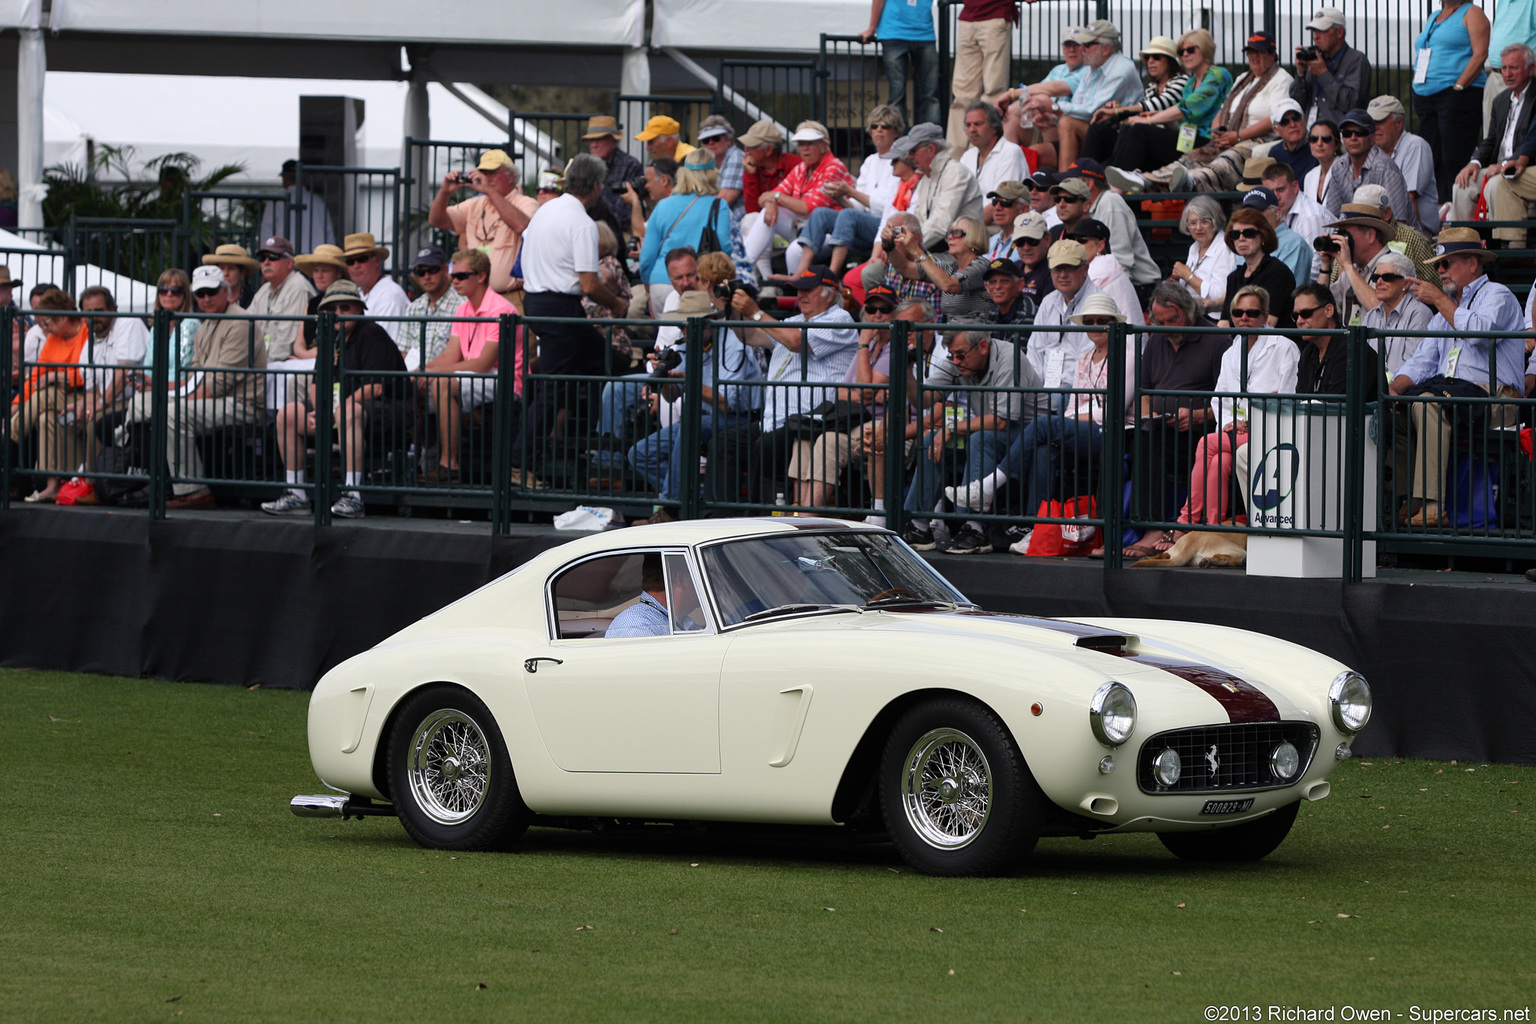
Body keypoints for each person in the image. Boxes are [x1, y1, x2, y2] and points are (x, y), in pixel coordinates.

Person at [952, 292, 1134, 538]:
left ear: (1115, 323)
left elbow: (1114, 411)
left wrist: (1077, 417)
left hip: (1114, 433)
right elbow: (1072, 410)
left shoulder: (1129, 355)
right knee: (1043, 450)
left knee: (1044, 424)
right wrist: (1078, 417)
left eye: (1103, 320)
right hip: (1081, 430)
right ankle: (1034, 527)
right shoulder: (1083, 358)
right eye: (1089, 322)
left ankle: (990, 485)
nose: (1095, 326)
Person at [1389, 227, 1524, 527]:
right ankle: (1408, 501)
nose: (1440, 271)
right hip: (1452, 395)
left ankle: (1434, 506)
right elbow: (1421, 362)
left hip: (1495, 398)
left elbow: (1477, 335)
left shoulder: (1497, 294)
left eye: (1446, 264)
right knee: (1397, 409)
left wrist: (1437, 298)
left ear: (1473, 263)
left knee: (1427, 405)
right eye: (1438, 265)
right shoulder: (1443, 312)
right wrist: (1393, 390)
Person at [120, 265, 268, 511]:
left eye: (212, 292)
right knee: (140, 403)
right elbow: (194, 378)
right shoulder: (207, 325)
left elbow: (215, 386)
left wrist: (177, 397)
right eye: (201, 294)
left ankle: (193, 489)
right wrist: (165, 391)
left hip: (242, 404)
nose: (206, 299)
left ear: (225, 291)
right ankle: (137, 473)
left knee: (170, 413)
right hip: (212, 398)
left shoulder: (239, 323)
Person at [261, 280, 409, 519]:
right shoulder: (329, 337)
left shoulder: (372, 333)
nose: (338, 314)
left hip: (390, 410)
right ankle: (296, 494)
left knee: (348, 412)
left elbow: (375, 388)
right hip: (340, 410)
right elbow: (316, 384)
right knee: (287, 414)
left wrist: (335, 410)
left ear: (359, 309)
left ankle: (353, 496)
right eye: (332, 309)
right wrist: (321, 410)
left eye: (345, 307)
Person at [520, 153, 629, 461]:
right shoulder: (582, 223)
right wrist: (618, 303)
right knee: (552, 391)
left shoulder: (546, 210)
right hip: (560, 309)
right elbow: (590, 285)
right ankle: (518, 461)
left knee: (603, 362)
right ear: (595, 186)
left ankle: (598, 448)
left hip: (539, 302)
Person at [726, 266, 861, 505]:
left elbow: (794, 341)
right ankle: (717, 516)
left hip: (812, 421)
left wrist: (756, 312)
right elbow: (750, 336)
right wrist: (734, 309)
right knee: (725, 444)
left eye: (808, 290)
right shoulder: (795, 319)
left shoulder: (840, 319)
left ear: (830, 293)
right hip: (775, 420)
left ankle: (758, 518)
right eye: (798, 290)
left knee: (763, 447)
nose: (801, 295)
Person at [1170, 284, 1298, 534]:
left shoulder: (1283, 346)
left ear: (1264, 315)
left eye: (1252, 313)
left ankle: (1186, 522)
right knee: (1219, 460)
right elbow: (1221, 399)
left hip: (1272, 430)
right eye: (1238, 313)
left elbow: (1288, 399)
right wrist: (1231, 423)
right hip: (1236, 432)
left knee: (1207, 444)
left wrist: (1249, 423)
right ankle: (1214, 528)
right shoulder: (1232, 351)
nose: (1244, 318)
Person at [900, 328, 1042, 554]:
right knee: (930, 440)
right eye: (952, 355)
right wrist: (906, 371)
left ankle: (974, 529)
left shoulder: (1009, 357)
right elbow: (924, 400)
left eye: (961, 355)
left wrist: (951, 428)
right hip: (992, 430)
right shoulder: (959, 358)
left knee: (981, 439)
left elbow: (1002, 421)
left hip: (1030, 433)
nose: (956, 362)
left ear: (983, 347)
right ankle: (919, 526)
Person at [627, 290, 762, 523]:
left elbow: (727, 403)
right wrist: (664, 381)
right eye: (683, 325)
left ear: (707, 322)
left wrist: (687, 381)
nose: (685, 330)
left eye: (691, 324)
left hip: (740, 418)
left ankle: (672, 509)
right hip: (703, 419)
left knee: (691, 424)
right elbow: (673, 396)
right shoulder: (685, 343)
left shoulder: (732, 343)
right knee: (639, 453)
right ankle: (693, 500)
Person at [1122, 282, 1227, 556]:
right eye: (1160, 320)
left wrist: (1198, 416)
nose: (1167, 326)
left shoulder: (1217, 340)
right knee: (1124, 437)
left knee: (1149, 442)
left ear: (1189, 311)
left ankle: (1154, 528)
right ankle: (1104, 528)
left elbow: (1228, 401)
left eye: (1173, 319)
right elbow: (1144, 391)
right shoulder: (1157, 338)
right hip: (1160, 426)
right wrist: (1148, 415)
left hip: (1201, 431)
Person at [421, 249, 519, 486]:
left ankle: (449, 463)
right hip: (474, 376)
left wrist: (436, 372)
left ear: (481, 276)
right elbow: (451, 354)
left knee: (444, 382)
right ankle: (432, 451)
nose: (455, 281)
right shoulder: (462, 309)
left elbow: (483, 364)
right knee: (414, 385)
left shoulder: (502, 310)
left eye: (462, 276)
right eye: (454, 275)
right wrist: (423, 371)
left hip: (504, 379)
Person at [1103, 29, 1230, 176]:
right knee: (1128, 129)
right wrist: (1156, 115)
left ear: (1205, 49)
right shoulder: (1191, 83)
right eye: (1181, 52)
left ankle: (1116, 184)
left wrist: (1150, 119)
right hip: (1186, 138)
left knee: (1140, 131)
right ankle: (1114, 177)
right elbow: (1185, 118)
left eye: (1190, 50)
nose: (1185, 55)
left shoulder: (1217, 74)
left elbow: (1187, 108)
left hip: (1207, 141)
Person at [1025, 20, 1145, 171]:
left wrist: (1054, 107)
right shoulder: (1092, 67)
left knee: (1067, 122)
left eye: (1087, 45)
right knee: (1035, 152)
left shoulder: (1121, 70)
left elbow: (1090, 111)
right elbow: (1079, 102)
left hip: (1120, 138)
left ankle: (1067, 186)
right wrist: (1053, 118)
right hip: (1096, 132)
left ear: (1106, 49)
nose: (1081, 49)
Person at [428, 148, 540, 308]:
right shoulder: (475, 204)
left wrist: (488, 190)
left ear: (510, 176)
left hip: (512, 297)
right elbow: (437, 220)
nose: (486, 178)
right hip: (476, 298)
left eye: (492, 173)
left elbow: (521, 225)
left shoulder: (526, 203)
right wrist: (445, 191)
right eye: (483, 173)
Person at [9, 289, 89, 503]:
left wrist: (55, 376)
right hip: (60, 395)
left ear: (63, 318)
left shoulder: (85, 332)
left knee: (46, 394)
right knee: (45, 418)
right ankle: (51, 486)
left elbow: (86, 375)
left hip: (83, 396)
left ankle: (10, 433)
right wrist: (16, 404)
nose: (45, 328)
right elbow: (35, 377)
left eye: (47, 322)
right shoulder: (54, 339)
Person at [745, 122, 855, 278]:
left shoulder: (833, 166)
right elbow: (764, 198)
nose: (804, 148)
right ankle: (743, 268)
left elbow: (810, 209)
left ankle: (796, 296)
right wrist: (771, 203)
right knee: (762, 214)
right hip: (802, 226)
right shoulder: (802, 168)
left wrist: (776, 198)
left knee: (794, 251)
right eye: (801, 144)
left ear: (824, 145)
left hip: (832, 232)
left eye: (810, 144)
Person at [1412, 0, 1490, 203]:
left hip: (1457, 94)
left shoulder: (1472, 13)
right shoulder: (1435, 15)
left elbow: (1480, 53)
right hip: (1427, 95)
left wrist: (1459, 86)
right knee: (1433, 156)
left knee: (1454, 156)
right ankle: (1440, 206)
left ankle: (1458, 210)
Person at [638, 150, 734, 312]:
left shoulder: (662, 205)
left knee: (666, 336)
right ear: (713, 175)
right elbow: (725, 250)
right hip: (699, 284)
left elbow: (646, 258)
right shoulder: (719, 206)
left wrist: (649, 291)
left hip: (661, 283)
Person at [1452, 44, 1536, 227]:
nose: (1507, 74)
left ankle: (1496, 244)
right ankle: (1463, 244)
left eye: (1513, 67)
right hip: (1496, 166)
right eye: (1504, 68)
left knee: (1495, 184)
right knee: (1461, 185)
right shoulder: (1501, 100)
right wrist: (1474, 163)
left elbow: (1531, 142)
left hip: (1522, 168)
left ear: (1531, 69)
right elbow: (1490, 141)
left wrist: (1504, 165)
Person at [1079, 35, 1189, 165]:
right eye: (1147, 57)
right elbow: (1143, 112)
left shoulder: (1182, 81)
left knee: (1134, 133)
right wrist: (1117, 111)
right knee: (1099, 130)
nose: (1150, 61)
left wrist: (1120, 110)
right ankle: (1082, 175)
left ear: (1171, 61)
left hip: (1171, 142)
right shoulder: (1151, 88)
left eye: (1157, 57)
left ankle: (1104, 176)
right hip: (1147, 138)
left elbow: (1157, 105)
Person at [247, 235, 317, 410]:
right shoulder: (264, 290)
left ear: (289, 263)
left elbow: (286, 343)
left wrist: (258, 365)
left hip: (280, 363)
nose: (267, 262)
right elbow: (245, 327)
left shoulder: (297, 287)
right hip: (265, 364)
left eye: (274, 257)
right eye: (263, 258)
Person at [1073, 159, 1161, 294]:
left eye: (1070, 182)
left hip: (1137, 288)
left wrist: (1117, 299)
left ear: (1088, 184)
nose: (1065, 188)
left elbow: (1120, 263)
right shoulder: (1089, 207)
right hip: (1105, 283)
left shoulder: (1110, 204)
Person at [946, 0, 1019, 158]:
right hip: (974, 17)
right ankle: (958, 157)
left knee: (989, 92)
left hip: (989, 15)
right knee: (966, 94)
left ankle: (977, 155)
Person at [998, 26, 1088, 153]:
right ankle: (1005, 160)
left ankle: (997, 121)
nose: (1072, 50)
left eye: (1077, 45)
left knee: (1039, 100)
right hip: (1043, 124)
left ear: (1085, 48)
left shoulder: (1088, 71)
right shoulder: (1058, 69)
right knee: (1013, 119)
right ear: (1062, 48)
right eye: (1068, 46)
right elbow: (1040, 90)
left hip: (1066, 128)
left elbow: (1054, 89)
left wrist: (1011, 94)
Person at [1029, 239, 1104, 388]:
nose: (1062, 275)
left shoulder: (1098, 304)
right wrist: (1034, 389)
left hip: (1080, 390)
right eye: (1057, 268)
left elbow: (1089, 362)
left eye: (1069, 268)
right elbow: (1034, 351)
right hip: (1046, 388)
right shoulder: (1048, 302)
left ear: (1085, 269)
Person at [888, 215, 992, 321]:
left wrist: (916, 250)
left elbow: (949, 285)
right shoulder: (952, 267)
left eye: (957, 233)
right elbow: (905, 269)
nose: (950, 237)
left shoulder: (981, 267)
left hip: (974, 335)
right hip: (950, 334)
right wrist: (888, 246)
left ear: (974, 237)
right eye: (950, 233)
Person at [903, 122, 986, 251]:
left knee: (877, 271)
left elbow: (940, 224)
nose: (909, 156)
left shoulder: (955, 173)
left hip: (962, 255)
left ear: (930, 149)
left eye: (913, 150)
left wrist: (909, 248)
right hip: (936, 250)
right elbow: (918, 221)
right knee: (881, 268)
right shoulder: (926, 177)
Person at [860, 0, 941, 128]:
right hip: (899, 32)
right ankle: (906, 141)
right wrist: (871, 28)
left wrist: (872, 28)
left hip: (918, 33)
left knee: (923, 94)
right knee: (921, 95)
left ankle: (926, 139)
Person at [1316, 200, 1396, 324]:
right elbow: (1321, 308)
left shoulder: (1394, 266)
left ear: (1370, 235)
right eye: (1339, 234)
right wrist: (1326, 265)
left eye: (1346, 235)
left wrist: (1348, 266)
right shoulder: (1353, 269)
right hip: (1349, 341)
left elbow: (1380, 312)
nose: (1341, 240)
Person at [1289, 7, 1371, 127]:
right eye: (1314, 31)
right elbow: (1295, 106)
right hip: (1311, 135)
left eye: (1321, 31)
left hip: (1341, 135)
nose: (1315, 37)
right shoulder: (1314, 59)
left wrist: (1323, 74)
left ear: (1339, 32)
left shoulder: (1356, 60)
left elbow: (1352, 104)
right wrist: (1300, 74)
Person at [1368, 96, 1439, 231]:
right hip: (1380, 229)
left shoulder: (1415, 145)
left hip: (1415, 231)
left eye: (1380, 121)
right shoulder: (1371, 151)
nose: (1374, 127)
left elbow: (1409, 199)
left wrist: (1414, 243)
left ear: (1399, 123)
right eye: (1371, 122)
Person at [1358, 251, 1434, 378]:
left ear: (1406, 283)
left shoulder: (1420, 313)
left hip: (1404, 392)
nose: (1379, 282)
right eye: (1376, 278)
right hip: (1371, 389)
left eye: (1387, 277)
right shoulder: (1371, 315)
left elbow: (1415, 366)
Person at [1220, 206, 1295, 326]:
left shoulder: (1278, 273)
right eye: (1235, 234)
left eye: (1249, 233)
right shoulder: (1233, 278)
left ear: (1263, 236)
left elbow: (1269, 323)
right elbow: (1224, 323)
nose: (1241, 239)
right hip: (1240, 342)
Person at [1063, 217, 1144, 325]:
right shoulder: (1106, 265)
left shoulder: (1102, 270)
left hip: (1123, 339)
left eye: (1082, 240)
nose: (1076, 245)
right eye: (1074, 240)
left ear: (1100, 245)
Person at [1171, 195, 1235, 315]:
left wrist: (1188, 276)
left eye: (1205, 221)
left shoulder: (1225, 247)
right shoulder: (1194, 247)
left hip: (1213, 318)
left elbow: (1219, 295)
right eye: (1193, 223)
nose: (1198, 228)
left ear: (1215, 221)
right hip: (1191, 313)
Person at [397, 244, 457, 372]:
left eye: (432, 270)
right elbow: (403, 352)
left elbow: (461, 356)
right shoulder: (413, 308)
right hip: (413, 379)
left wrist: (426, 373)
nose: (427, 277)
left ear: (446, 270)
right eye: (420, 272)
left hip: (445, 377)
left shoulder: (462, 306)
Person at [342, 233, 409, 343]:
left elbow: (381, 343)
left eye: (362, 259)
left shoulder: (390, 296)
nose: (356, 265)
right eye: (350, 261)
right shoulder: (359, 294)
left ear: (377, 261)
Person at [1243, 186, 1312, 291]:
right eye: (1248, 214)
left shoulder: (1293, 244)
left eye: (1258, 212)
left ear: (1277, 213)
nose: (1252, 218)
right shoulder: (1246, 240)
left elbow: (1282, 291)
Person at [958, 102, 1031, 200]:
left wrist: (970, 216)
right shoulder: (967, 156)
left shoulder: (1010, 152)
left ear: (994, 127)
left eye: (978, 124)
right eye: (968, 125)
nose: (972, 129)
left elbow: (1001, 201)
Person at [582, 116, 644, 228]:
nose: (594, 145)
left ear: (614, 141)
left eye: (599, 139)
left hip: (617, 232)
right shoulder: (584, 166)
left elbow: (622, 216)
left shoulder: (630, 165)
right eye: (591, 140)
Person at [257, 159, 332, 251]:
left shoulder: (276, 201)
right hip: (314, 258)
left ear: (284, 178)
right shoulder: (318, 202)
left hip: (285, 258)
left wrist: (266, 256)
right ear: (303, 177)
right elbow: (329, 235)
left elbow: (266, 231)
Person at [147, 269, 200, 389]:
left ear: (185, 295)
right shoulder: (156, 328)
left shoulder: (190, 324)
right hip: (156, 389)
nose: (169, 294)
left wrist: (155, 386)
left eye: (175, 291)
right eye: (163, 289)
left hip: (180, 390)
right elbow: (148, 366)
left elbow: (180, 369)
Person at [696, 115, 746, 227]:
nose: (711, 142)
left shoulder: (736, 157)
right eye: (706, 140)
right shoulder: (707, 162)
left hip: (737, 225)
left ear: (729, 140)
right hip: (716, 220)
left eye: (716, 138)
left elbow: (723, 200)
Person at [979, 256, 1037, 338]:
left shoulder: (1028, 315)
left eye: (1004, 281)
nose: (998, 286)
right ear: (987, 287)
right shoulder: (993, 312)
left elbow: (1016, 350)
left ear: (1020, 284)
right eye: (993, 282)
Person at [1266, 98, 1320, 182]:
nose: (1292, 124)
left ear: (1305, 120)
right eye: (1284, 121)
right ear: (1276, 130)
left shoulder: (1319, 145)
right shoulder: (1275, 153)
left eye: (1296, 118)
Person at [1009, 211, 1053, 305]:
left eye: (1032, 241)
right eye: (1020, 242)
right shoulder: (1012, 269)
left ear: (1047, 239)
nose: (1026, 248)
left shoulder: (1054, 272)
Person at [1302, 118, 1346, 212]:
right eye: (1313, 139)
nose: (1319, 143)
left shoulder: (1346, 171)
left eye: (1326, 139)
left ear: (1337, 144)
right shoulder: (1309, 176)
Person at [983, 181, 1028, 259]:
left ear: (1024, 209)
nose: (997, 208)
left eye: (1005, 202)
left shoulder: (1030, 244)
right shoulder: (990, 242)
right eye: (995, 202)